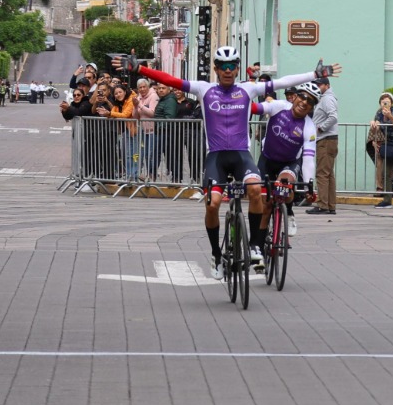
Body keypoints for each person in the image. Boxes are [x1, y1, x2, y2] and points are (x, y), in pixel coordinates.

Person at [124, 48, 337, 276]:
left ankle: (255, 244)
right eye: (222, 66)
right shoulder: (203, 89)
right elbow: (170, 80)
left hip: (241, 155)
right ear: (215, 68)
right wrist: (139, 69)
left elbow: (283, 82)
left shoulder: (248, 89)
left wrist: (314, 75)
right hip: (215, 156)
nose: (227, 70)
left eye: (232, 66)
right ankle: (216, 255)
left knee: (256, 190)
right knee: (213, 204)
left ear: (237, 68)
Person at [252, 81, 321, 244]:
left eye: (310, 101)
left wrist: (309, 185)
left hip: (289, 163)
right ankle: (259, 246)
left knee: (285, 184)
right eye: (303, 97)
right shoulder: (278, 106)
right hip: (267, 160)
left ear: (312, 107)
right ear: (295, 97)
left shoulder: (309, 128)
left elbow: (309, 159)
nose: (304, 102)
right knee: (266, 206)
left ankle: (289, 212)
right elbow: (256, 109)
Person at [311, 73, 340, 216]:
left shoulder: (327, 99)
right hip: (329, 139)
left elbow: (333, 117)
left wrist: (321, 127)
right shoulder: (326, 98)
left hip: (326, 139)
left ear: (326, 85)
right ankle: (330, 205)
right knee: (328, 174)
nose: (317, 87)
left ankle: (323, 205)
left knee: (322, 173)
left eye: (319, 84)